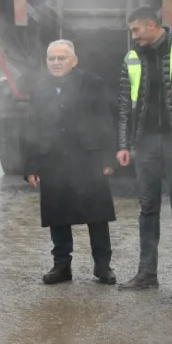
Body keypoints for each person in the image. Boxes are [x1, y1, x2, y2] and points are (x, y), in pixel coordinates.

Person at [116, 6, 172, 292]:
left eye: (135, 30)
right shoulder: (131, 57)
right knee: (147, 208)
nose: (133, 36)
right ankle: (147, 273)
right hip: (146, 144)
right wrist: (123, 144)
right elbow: (124, 106)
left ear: (152, 26)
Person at [24, 39, 117, 285]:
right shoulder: (39, 89)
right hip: (52, 159)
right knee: (58, 215)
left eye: (61, 58)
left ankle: (103, 265)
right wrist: (31, 165)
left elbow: (105, 120)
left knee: (96, 215)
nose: (56, 62)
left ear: (74, 60)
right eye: (52, 58)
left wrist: (108, 157)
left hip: (88, 158)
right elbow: (31, 126)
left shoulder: (92, 84)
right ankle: (61, 266)